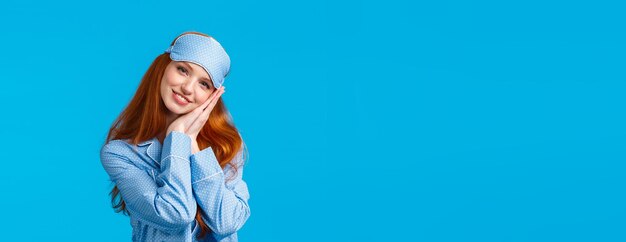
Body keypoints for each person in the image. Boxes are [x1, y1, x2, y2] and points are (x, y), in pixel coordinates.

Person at [100, 31, 251, 242]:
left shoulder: (227, 144)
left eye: (204, 84)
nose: (188, 88)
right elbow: (176, 214)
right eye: (183, 70)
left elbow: (226, 222)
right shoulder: (121, 153)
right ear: (162, 69)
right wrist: (177, 137)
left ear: (214, 95)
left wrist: (193, 147)